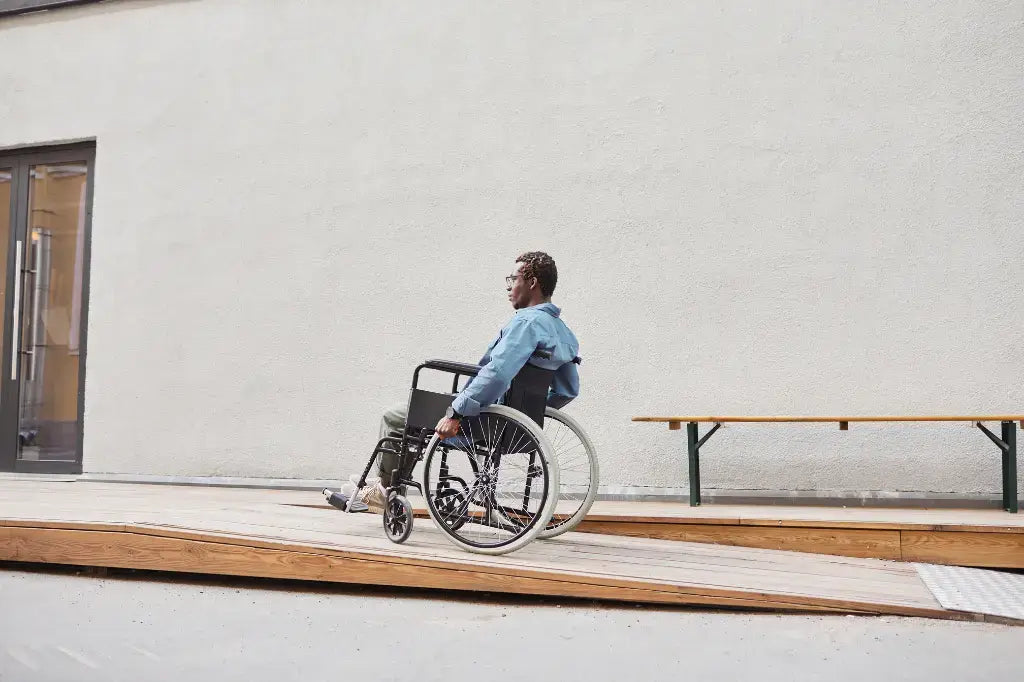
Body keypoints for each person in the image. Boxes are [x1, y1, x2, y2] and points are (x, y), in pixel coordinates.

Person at [344, 251, 581, 512]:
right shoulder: (563, 332)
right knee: (415, 416)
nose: (509, 287)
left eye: (513, 279)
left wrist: (456, 412)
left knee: (395, 417)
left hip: (481, 418)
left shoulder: (526, 323)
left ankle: (385, 490)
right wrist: (528, 416)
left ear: (532, 282)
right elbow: (568, 390)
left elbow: (498, 373)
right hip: (512, 427)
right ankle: (384, 488)